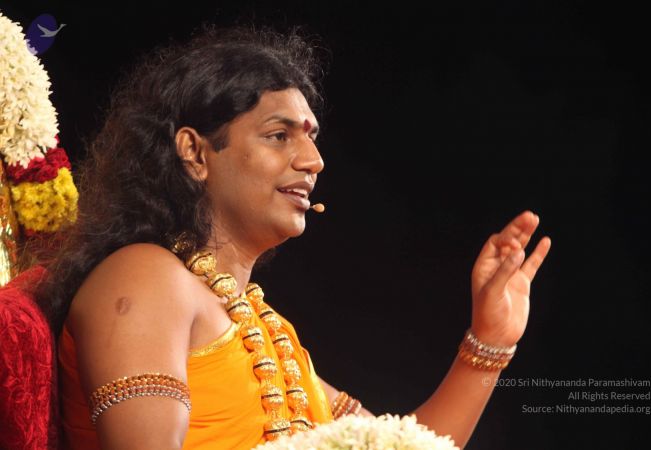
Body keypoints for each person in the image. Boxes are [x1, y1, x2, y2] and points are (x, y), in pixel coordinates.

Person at [36, 24, 551, 449]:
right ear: (195, 153)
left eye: (311, 138)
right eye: (279, 135)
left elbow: (402, 445)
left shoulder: (266, 328)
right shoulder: (144, 276)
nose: (313, 161)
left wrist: (489, 341)